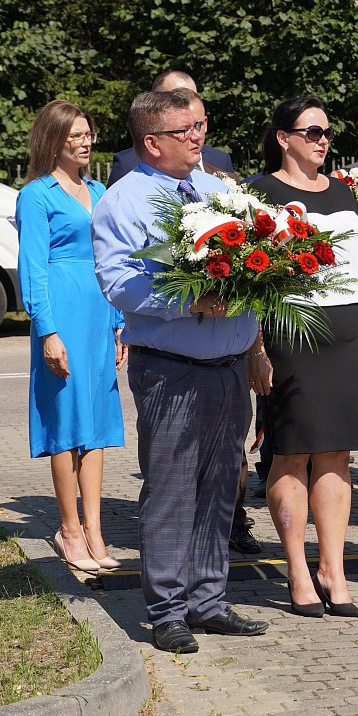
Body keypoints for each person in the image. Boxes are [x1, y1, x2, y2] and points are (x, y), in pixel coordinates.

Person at [92, 89, 268, 653]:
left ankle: (209, 600)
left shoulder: (218, 189)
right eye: (185, 130)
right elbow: (117, 283)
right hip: (172, 369)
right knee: (171, 490)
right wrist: (186, 300)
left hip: (228, 365)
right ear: (152, 142)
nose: (198, 137)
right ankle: (167, 609)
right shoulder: (126, 201)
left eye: (201, 125)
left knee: (221, 487)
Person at [247, 96, 358, 618]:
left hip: (346, 334)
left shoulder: (346, 195)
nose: (322, 140)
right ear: (283, 138)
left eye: (327, 132)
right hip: (291, 336)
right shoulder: (261, 193)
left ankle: (334, 568)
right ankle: (298, 571)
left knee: (336, 455)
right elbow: (251, 282)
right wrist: (256, 349)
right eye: (311, 132)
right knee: (293, 453)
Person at [16, 100, 127, 575]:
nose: (85, 143)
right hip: (61, 313)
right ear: (54, 140)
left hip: (99, 315)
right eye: (75, 136)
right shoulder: (35, 195)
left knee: (97, 426)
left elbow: (114, 258)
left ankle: (96, 531)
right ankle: (69, 529)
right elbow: (32, 268)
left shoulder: (101, 191)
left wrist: (120, 321)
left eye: (88, 134)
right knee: (65, 425)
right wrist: (47, 331)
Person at [108, 70, 234, 185]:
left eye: (191, 96)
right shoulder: (128, 164)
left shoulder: (221, 160)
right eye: (176, 98)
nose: (187, 104)